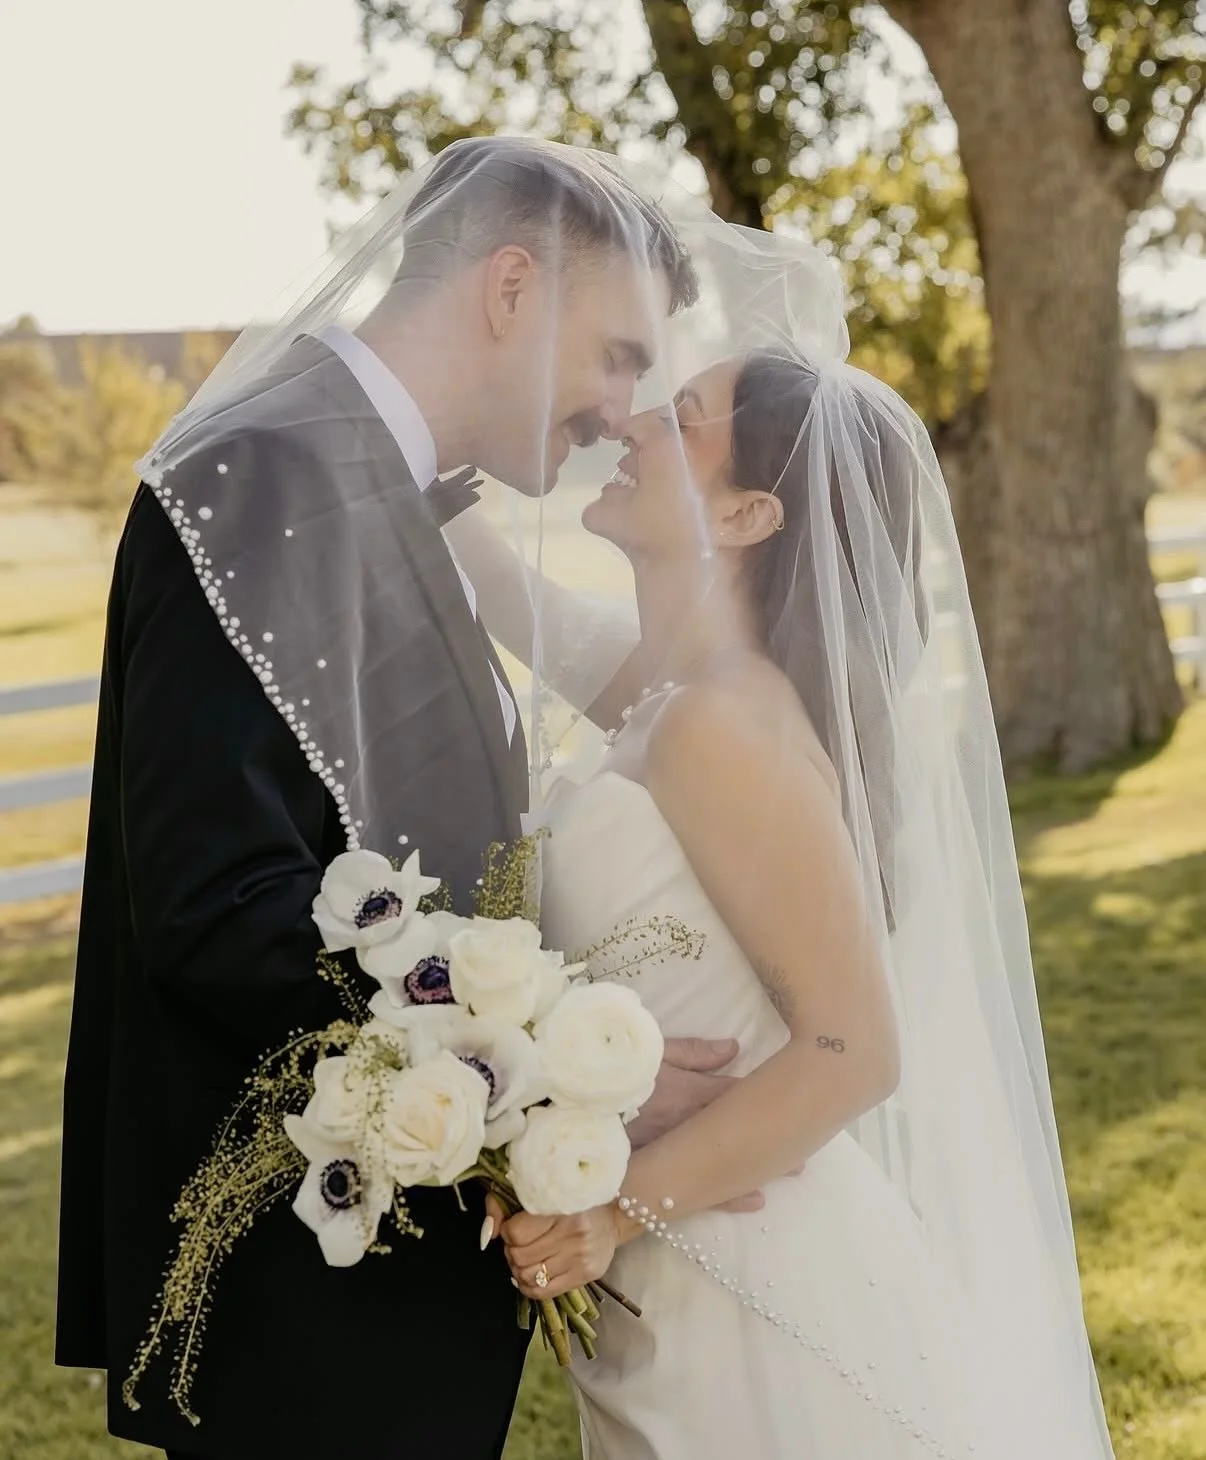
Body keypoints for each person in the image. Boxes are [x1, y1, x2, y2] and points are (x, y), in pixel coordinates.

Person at [54, 138, 738, 1460]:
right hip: (296, 1309)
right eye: (615, 356)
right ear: (508, 290)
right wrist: (544, 1082)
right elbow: (222, 907)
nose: (616, 411)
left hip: (375, 1287)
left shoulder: (374, 483)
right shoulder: (266, 477)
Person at [481, 345, 1118, 1457]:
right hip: (680, 1278)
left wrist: (613, 1209)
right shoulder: (674, 691)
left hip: (756, 1286)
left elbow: (854, 1048)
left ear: (748, 514)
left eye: (682, 417)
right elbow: (505, 592)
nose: (631, 424)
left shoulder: (720, 722)